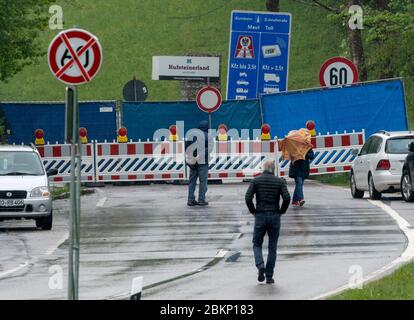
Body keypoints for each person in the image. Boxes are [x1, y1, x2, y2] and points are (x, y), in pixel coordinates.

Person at [245, 160, 291, 284]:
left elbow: (248, 197)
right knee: (272, 247)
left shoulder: (256, 181)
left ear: (263, 168)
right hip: (275, 215)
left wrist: (253, 211)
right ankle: (269, 276)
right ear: (273, 169)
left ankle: (260, 266)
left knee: (256, 243)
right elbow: (287, 198)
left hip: (260, 215)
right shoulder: (280, 181)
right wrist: (282, 211)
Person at [186, 120, 211, 206]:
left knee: (192, 181)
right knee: (203, 181)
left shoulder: (191, 135)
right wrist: (200, 155)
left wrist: (191, 156)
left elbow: (186, 146)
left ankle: (190, 200)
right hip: (203, 162)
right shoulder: (208, 136)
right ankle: (201, 200)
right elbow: (210, 148)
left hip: (193, 162)